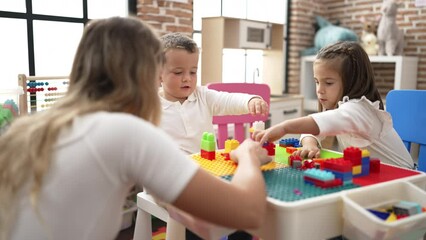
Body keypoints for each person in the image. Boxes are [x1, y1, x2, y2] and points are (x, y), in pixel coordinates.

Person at [0, 17, 272, 240]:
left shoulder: (30, 129)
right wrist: (248, 154)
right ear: (152, 73)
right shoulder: (126, 132)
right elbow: (248, 213)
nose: (184, 78)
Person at [253, 41, 414, 169]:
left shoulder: (359, 110)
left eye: (328, 83)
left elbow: (319, 123)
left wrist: (284, 127)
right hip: (375, 176)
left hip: (405, 176)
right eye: (317, 82)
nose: (319, 90)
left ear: (352, 81)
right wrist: (310, 144)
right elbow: (313, 129)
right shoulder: (337, 107)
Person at [158, 32, 269, 155]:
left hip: (210, 165)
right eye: (178, 72)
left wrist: (250, 101)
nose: (187, 78)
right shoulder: (151, 105)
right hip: (176, 170)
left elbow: (228, 100)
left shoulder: (203, 96)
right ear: (159, 75)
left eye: (193, 72)